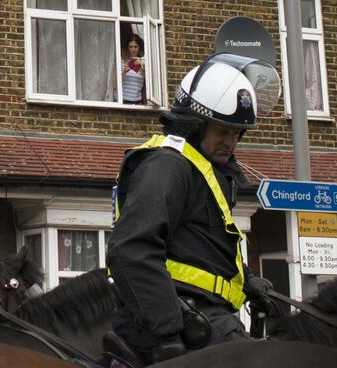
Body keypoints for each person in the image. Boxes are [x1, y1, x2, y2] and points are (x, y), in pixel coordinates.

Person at [106, 52, 281, 364]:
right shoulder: (167, 166)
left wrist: (247, 280)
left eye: (237, 133)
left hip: (206, 320)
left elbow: (199, 249)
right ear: (194, 126)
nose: (232, 142)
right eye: (222, 131)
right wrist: (169, 333)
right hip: (174, 324)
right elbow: (129, 250)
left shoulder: (201, 169)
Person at [121, 34, 146, 105]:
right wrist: (124, 72)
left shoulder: (143, 62)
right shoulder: (121, 62)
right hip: (123, 101)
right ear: (127, 48)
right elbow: (114, 84)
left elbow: (153, 80)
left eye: (135, 47)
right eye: (130, 47)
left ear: (139, 48)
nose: (133, 49)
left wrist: (143, 66)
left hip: (138, 102)